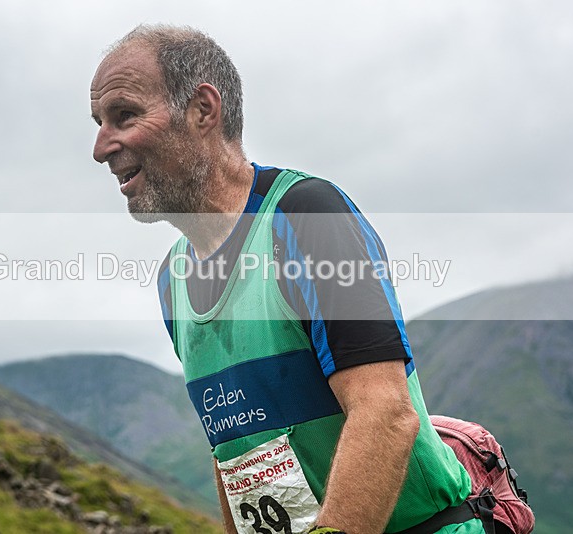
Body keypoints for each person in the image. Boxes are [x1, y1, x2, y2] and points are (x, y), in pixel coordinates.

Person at [90, 24, 482, 534]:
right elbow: (235, 458)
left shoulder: (305, 216)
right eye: (98, 123)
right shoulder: (172, 280)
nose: (101, 148)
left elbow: (385, 412)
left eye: (124, 115)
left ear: (203, 110)